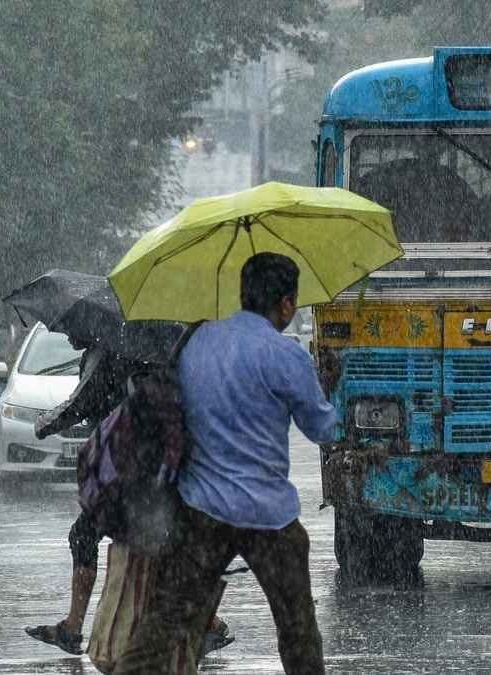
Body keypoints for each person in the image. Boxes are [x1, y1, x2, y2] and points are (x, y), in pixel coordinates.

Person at [114, 252, 341, 674]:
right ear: (286, 304)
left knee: (168, 620)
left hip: (202, 510)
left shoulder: (197, 342)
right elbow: (323, 429)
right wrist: (329, 385)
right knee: (297, 630)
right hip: (269, 515)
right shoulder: (286, 355)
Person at [23, 336, 232, 657]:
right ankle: (208, 623)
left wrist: (44, 425)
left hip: (127, 468)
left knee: (88, 536)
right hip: (154, 465)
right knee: (162, 543)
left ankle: (74, 628)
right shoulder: (149, 350)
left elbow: (81, 402)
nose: (67, 336)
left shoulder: (106, 353)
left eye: (71, 331)